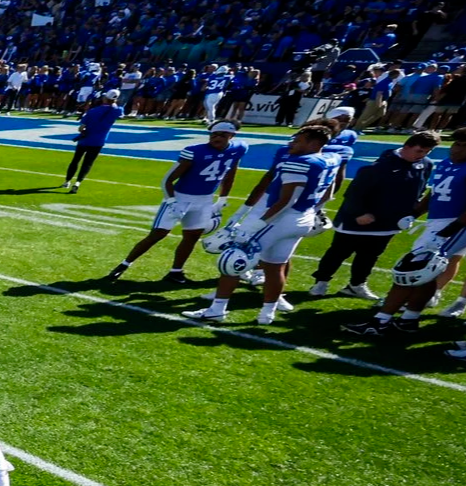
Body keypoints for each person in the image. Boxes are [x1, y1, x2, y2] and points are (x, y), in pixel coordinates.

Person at [185, 121, 335, 325]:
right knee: (276, 265)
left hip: (280, 218)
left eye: (298, 140)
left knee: (234, 257)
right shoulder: (330, 159)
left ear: (312, 142)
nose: (292, 143)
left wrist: (259, 223)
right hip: (304, 217)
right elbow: (329, 191)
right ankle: (267, 314)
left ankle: (217, 309)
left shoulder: (300, 162)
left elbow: (286, 200)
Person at [343, 130, 466, 338]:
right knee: (426, 275)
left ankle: (381, 321)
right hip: (438, 222)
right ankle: (409, 319)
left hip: (454, 225)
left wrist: (449, 231)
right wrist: (415, 212)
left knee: (410, 270)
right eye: (457, 144)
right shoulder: (446, 163)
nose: (456, 149)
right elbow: (434, 192)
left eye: (463, 146)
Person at [108, 122, 246, 282]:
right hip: (180, 197)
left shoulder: (239, 148)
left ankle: (175, 271)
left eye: (222, 135)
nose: (217, 138)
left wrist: (223, 198)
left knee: (193, 236)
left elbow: (231, 173)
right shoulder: (195, 151)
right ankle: (124, 265)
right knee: (158, 234)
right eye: (214, 134)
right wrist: (172, 202)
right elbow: (167, 180)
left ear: (232, 136)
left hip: (204, 199)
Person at [307, 132, 434, 300]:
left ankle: (356, 285)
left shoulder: (425, 164)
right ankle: (321, 282)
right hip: (356, 221)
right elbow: (353, 193)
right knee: (338, 252)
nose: (422, 155)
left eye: (427, 152)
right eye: (419, 151)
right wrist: (359, 213)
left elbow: (421, 189)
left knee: (370, 256)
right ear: (407, 146)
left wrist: (411, 213)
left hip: (389, 223)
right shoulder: (379, 166)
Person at [63, 90, 122, 191]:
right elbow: (118, 110)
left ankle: (67, 181)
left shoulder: (92, 111)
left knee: (75, 160)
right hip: (98, 141)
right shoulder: (117, 110)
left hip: (85, 140)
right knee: (87, 163)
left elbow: (81, 128)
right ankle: (77, 183)